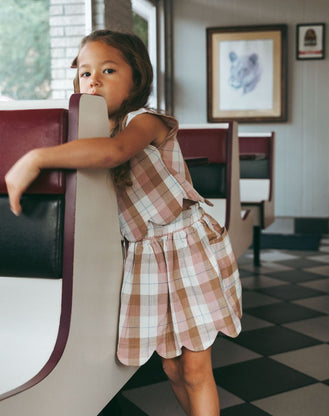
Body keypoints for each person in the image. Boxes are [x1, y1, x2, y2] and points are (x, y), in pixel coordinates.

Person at [5, 30, 242, 416]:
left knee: (196, 368)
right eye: (84, 73)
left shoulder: (145, 121)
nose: (93, 79)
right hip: (146, 258)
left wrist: (36, 157)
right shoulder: (89, 135)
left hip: (186, 247)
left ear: (137, 79)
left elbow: (115, 153)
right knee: (171, 366)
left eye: (108, 70)